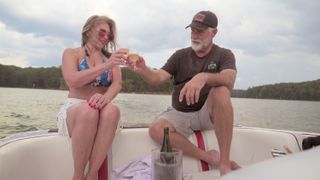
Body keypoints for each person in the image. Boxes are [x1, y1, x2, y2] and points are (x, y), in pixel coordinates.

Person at [127, 10, 241, 176]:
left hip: (207, 113)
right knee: (156, 130)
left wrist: (203, 77)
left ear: (214, 32)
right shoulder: (180, 55)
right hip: (180, 112)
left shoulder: (224, 54)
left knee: (222, 91)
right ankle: (209, 157)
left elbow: (229, 79)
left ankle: (224, 163)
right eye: (192, 30)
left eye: (200, 31)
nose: (194, 35)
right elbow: (157, 78)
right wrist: (143, 69)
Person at [57, 15, 127, 180]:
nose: (106, 38)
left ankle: (92, 174)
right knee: (88, 111)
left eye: (109, 35)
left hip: (102, 107)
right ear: (88, 30)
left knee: (112, 111)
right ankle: (78, 175)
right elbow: (72, 80)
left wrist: (106, 98)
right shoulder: (71, 53)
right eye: (102, 32)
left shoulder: (111, 58)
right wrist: (106, 65)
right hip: (76, 107)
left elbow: (116, 84)